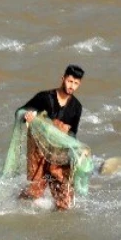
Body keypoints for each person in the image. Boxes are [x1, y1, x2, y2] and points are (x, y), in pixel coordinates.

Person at [17, 65, 85, 210]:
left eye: (76, 83)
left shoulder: (77, 107)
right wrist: (27, 116)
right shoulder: (44, 97)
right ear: (63, 79)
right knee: (35, 191)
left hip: (59, 153)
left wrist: (78, 151)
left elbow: (72, 134)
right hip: (38, 151)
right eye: (70, 81)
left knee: (64, 199)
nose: (71, 86)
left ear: (79, 84)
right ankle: (16, 205)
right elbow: (21, 111)